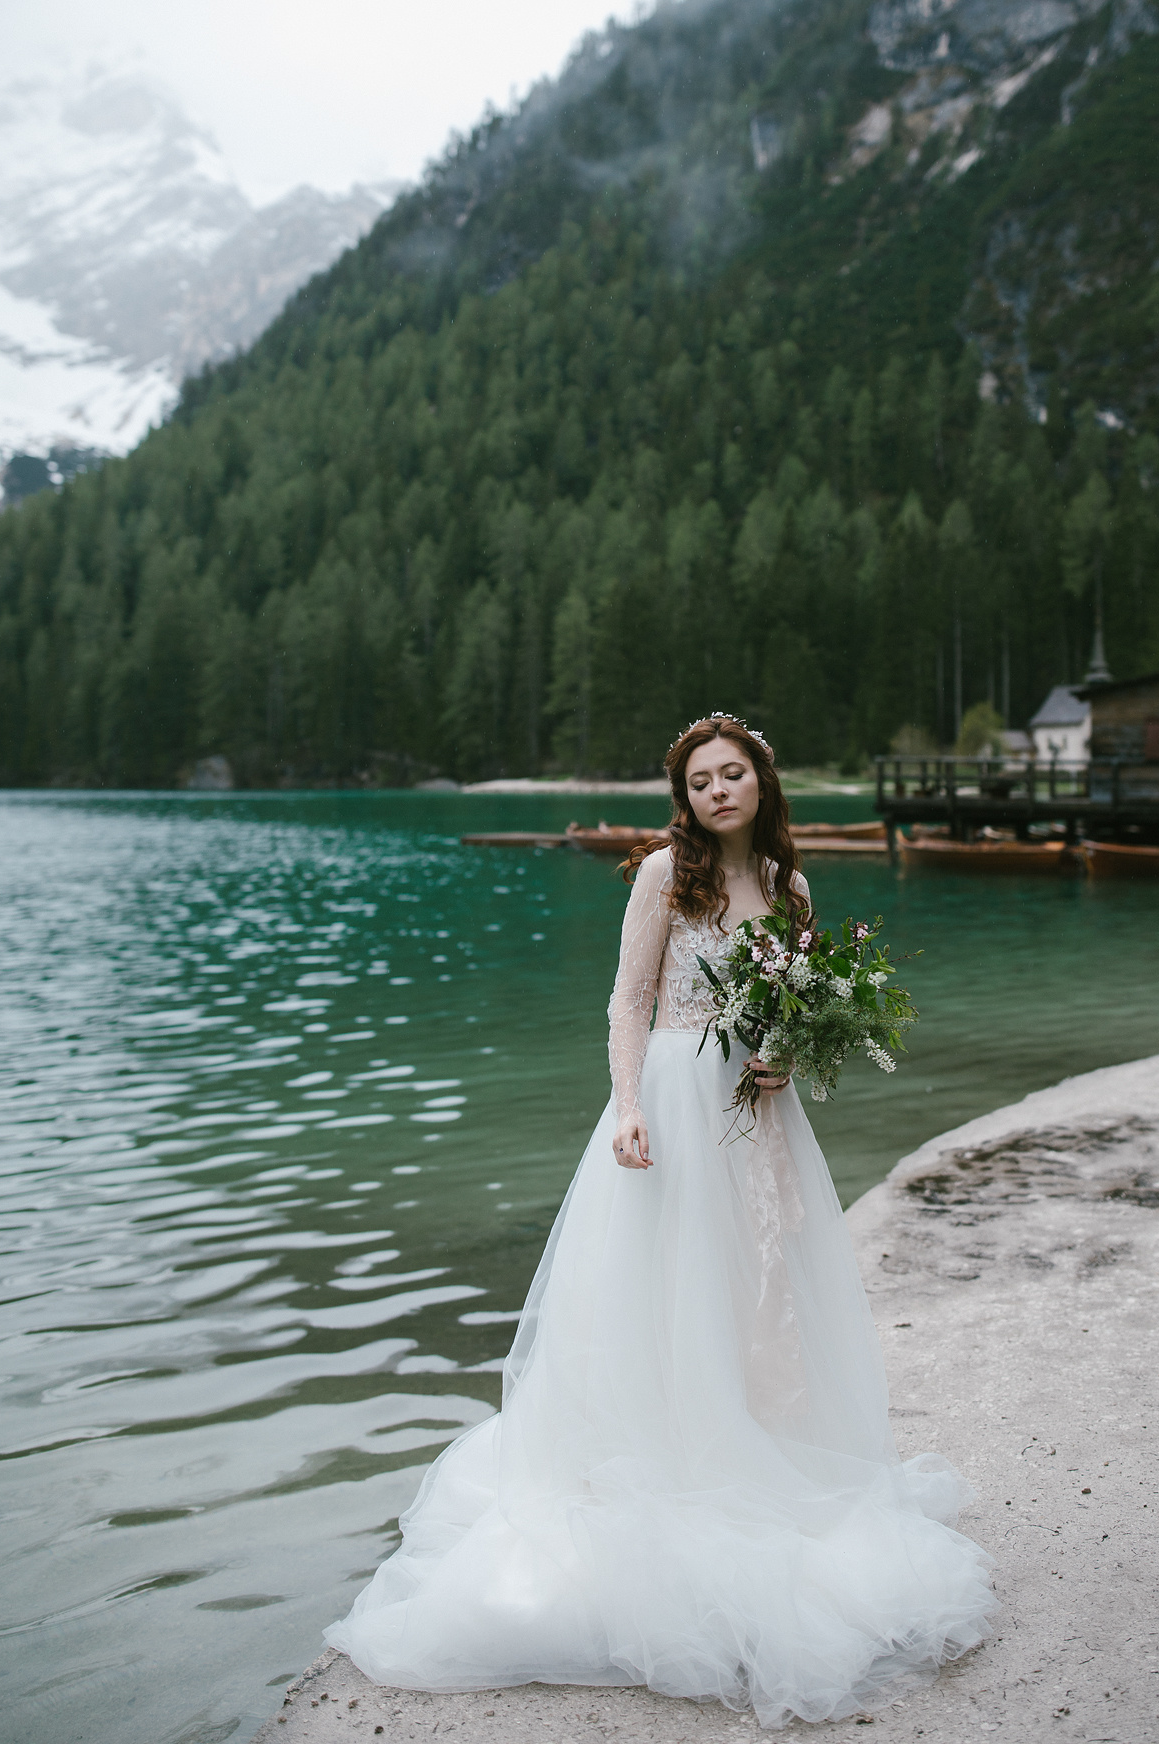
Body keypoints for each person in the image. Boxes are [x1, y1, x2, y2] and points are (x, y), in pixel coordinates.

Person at [325, 713, 994, 1726]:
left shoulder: (792, 888)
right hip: (674, 1102)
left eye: (733, 775)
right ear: (683, 798)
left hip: (756, 1115)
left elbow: (793, 1006)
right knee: (661, 1281)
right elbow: (626, 1001)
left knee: (757, 1280)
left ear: (761, 783)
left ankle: (758, 1442)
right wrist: (629, 1106)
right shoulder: (661, 877)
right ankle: (666, 1455)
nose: (718, 792)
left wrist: (785, 1055)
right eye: (700, 781)